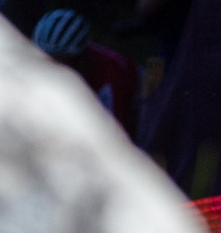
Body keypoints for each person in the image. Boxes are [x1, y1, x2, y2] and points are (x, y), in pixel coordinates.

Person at [32, 8, 140, 138]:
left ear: (79, 58)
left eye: (60, 61)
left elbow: (114, 137)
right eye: (45, 60)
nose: (52, 69)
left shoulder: (109, 78)